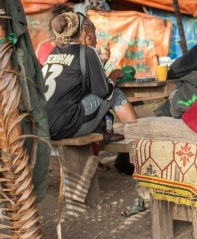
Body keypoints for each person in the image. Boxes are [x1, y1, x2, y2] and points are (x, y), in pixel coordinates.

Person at [43, 7, 138, 140]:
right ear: (84, 32)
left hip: (44, 127)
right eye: (94, 35)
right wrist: (114, 74)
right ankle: (140, 137)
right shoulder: (87, 51)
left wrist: (101, 63)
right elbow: (105, 92)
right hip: (65, 126)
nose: (96, 41)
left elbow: (77, 81)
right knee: (113, 92)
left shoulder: (55, 51)